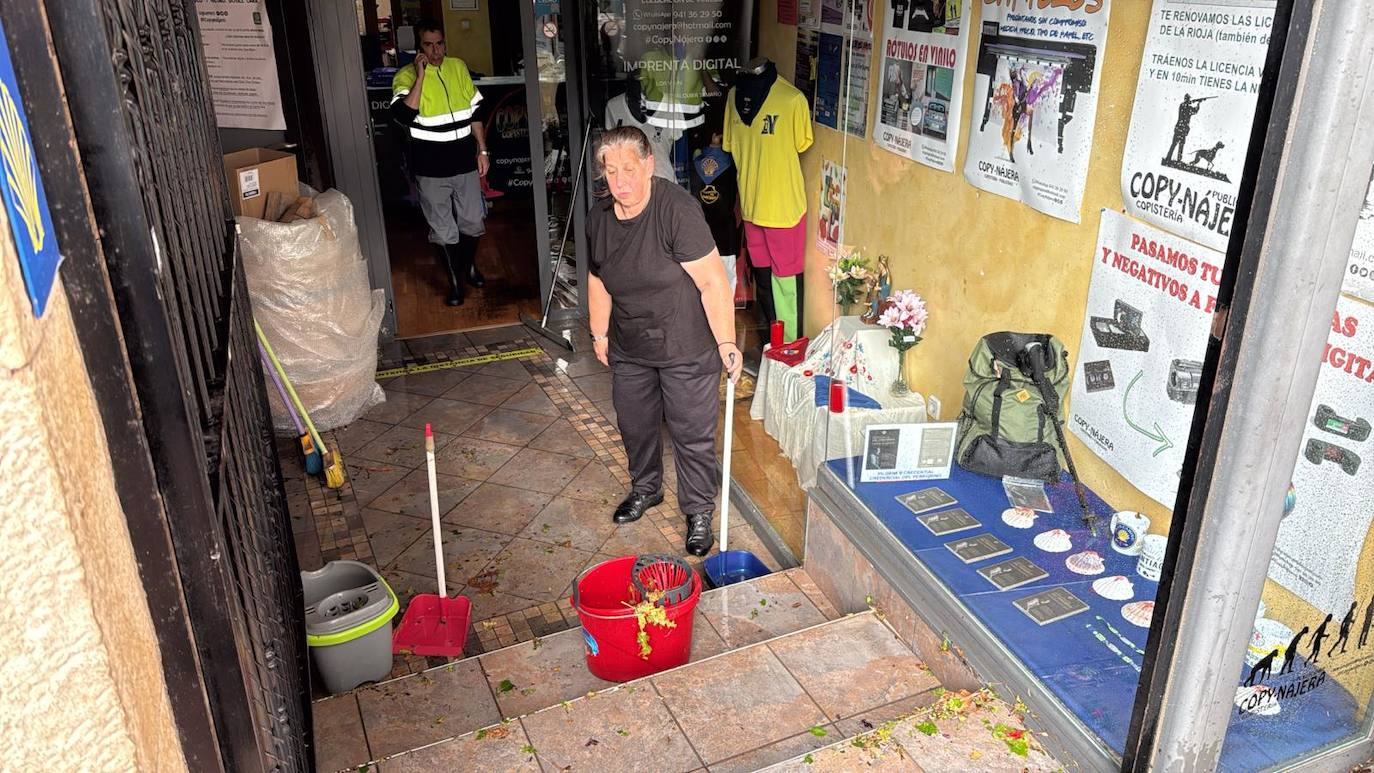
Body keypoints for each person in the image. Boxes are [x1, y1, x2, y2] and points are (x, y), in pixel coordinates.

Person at [587, 126, 742, 557]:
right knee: (635, 424)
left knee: (692, 434)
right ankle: (646, 488)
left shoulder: (677, 210)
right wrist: (599, 332)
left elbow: (713, 281)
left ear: (649, 166)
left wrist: (726, 342)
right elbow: (598, 277)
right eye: (611, 171)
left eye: (629, 170)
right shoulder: (599, 216)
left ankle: (697, 512)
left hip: (686, 345)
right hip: (630, 344)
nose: (620, 182)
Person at [391, 19, 489, 307]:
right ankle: (457, 283)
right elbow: (404, 117)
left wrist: (483, 150)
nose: (435, 51)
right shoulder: (405, 76)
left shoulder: (457, 67)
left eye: (439, 44)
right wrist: (420, 77)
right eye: (428, 45)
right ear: (418, 48)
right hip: (430, 166)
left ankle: (468, 265)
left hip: (463, 161)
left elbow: (475, 112)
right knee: (443, 229)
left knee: (473, 221)